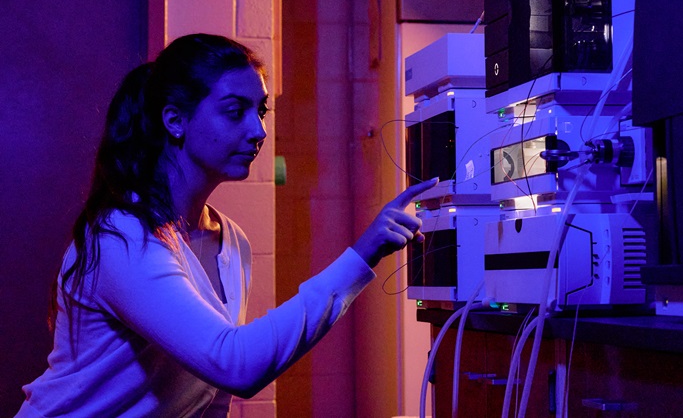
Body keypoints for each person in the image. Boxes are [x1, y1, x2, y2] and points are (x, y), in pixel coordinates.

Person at [15, 33, 435, 417]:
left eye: (261, 111)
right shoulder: (122, 236)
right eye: (235, 112)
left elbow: (210, 395)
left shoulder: (230, 241)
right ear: (175, 120)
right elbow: (235, 364)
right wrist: (361, 257)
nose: (258, 131)